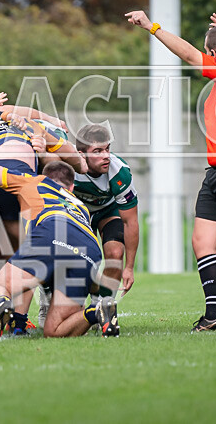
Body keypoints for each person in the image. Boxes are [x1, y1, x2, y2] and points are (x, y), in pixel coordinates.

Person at [126, 10, 216, 332]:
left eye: (211, 53)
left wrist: (152, 26)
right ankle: (214, 315)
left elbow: (191, 54)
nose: (207, 57)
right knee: (203, 241)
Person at [0, 140, 119, 338]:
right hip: (89, 246)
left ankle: (4, 306)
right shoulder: (80, 205)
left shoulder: (34, 181)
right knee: (54, 330)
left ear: (44, 177)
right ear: (71, 187)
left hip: (52, 229)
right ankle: (97, 310)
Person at [73, 124, 140, 302]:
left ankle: (102, 306)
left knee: (116, 253)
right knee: (77, 258)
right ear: (81, 154)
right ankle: (52, 298)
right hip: (77, 213)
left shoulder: (119, 173)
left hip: (107, 211)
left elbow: (130, 222)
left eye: (107, 149)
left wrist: (129, 267)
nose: (106, 156)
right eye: (97, 151)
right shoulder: (66, 165)